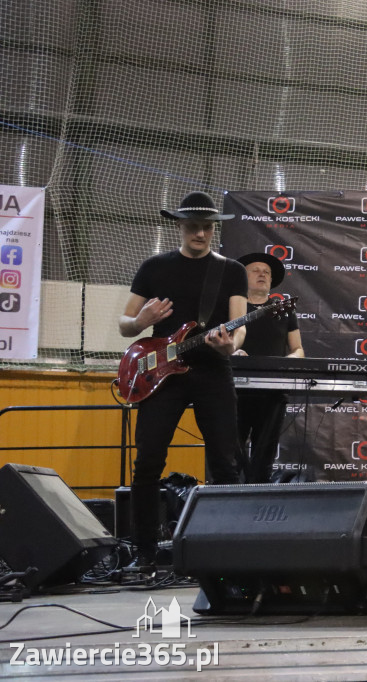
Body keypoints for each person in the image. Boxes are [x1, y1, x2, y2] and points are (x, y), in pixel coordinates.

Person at [118, 191, 247, 568]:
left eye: (207, 227)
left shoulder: (231, 270)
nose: (201, 234)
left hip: (212, 370)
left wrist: (231, 346)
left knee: (225, 462)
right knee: (147, 462)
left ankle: (228, 551)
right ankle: (144, 552)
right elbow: (125, 324)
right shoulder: (154, 267)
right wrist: (140, 321)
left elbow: (239, 326)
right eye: (193, 227)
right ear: (180, 226)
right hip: (161, 374)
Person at [232, 252, 304, 484]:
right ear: (243, 277)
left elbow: (298, 348)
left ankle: (258, 495)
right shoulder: (232, 307)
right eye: (256, 270)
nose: (262, 274)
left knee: (264, 457)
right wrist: (232, 353)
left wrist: (290, 359)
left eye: (267, 272)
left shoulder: (284, 310)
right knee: (231, 454)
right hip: (234, 391)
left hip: (272, 391)